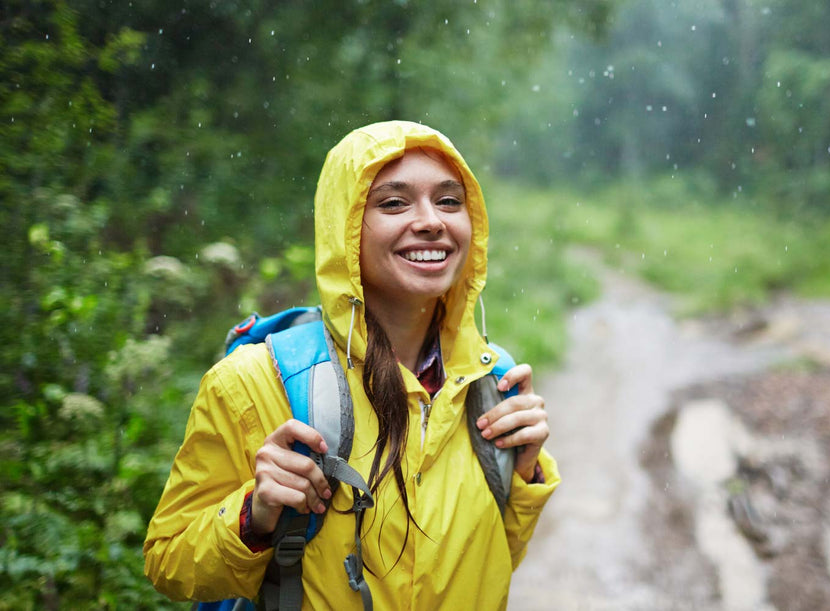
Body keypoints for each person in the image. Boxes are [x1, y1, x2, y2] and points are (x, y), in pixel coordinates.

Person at [143, 121, 559, 609]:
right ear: (344, 228)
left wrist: (523, 472)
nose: (431, 221)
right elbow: (169, 563)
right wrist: (254, 515)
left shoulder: (490, 381)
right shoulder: (255, 382)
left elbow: (492, 565)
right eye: (393, 203)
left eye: (449, 201)